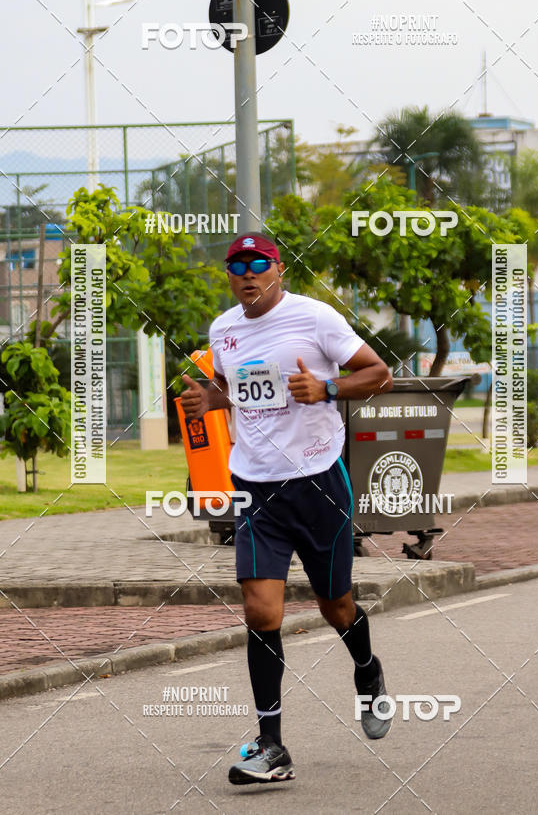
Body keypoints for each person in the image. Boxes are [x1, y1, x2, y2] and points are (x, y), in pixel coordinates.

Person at [180, 232, 394, 786]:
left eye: (258, 263)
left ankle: (368, 674)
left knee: (335, 606)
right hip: (255, 487)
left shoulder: (315, 317)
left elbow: (378, 374)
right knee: (261, 612)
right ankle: (272, 746)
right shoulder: (223, 329)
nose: (248, 273)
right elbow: (237, 389)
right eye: (237, 265)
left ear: (279, 269)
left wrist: (325, 388)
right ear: (229, 275)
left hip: (319, 482)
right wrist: (213, 399)